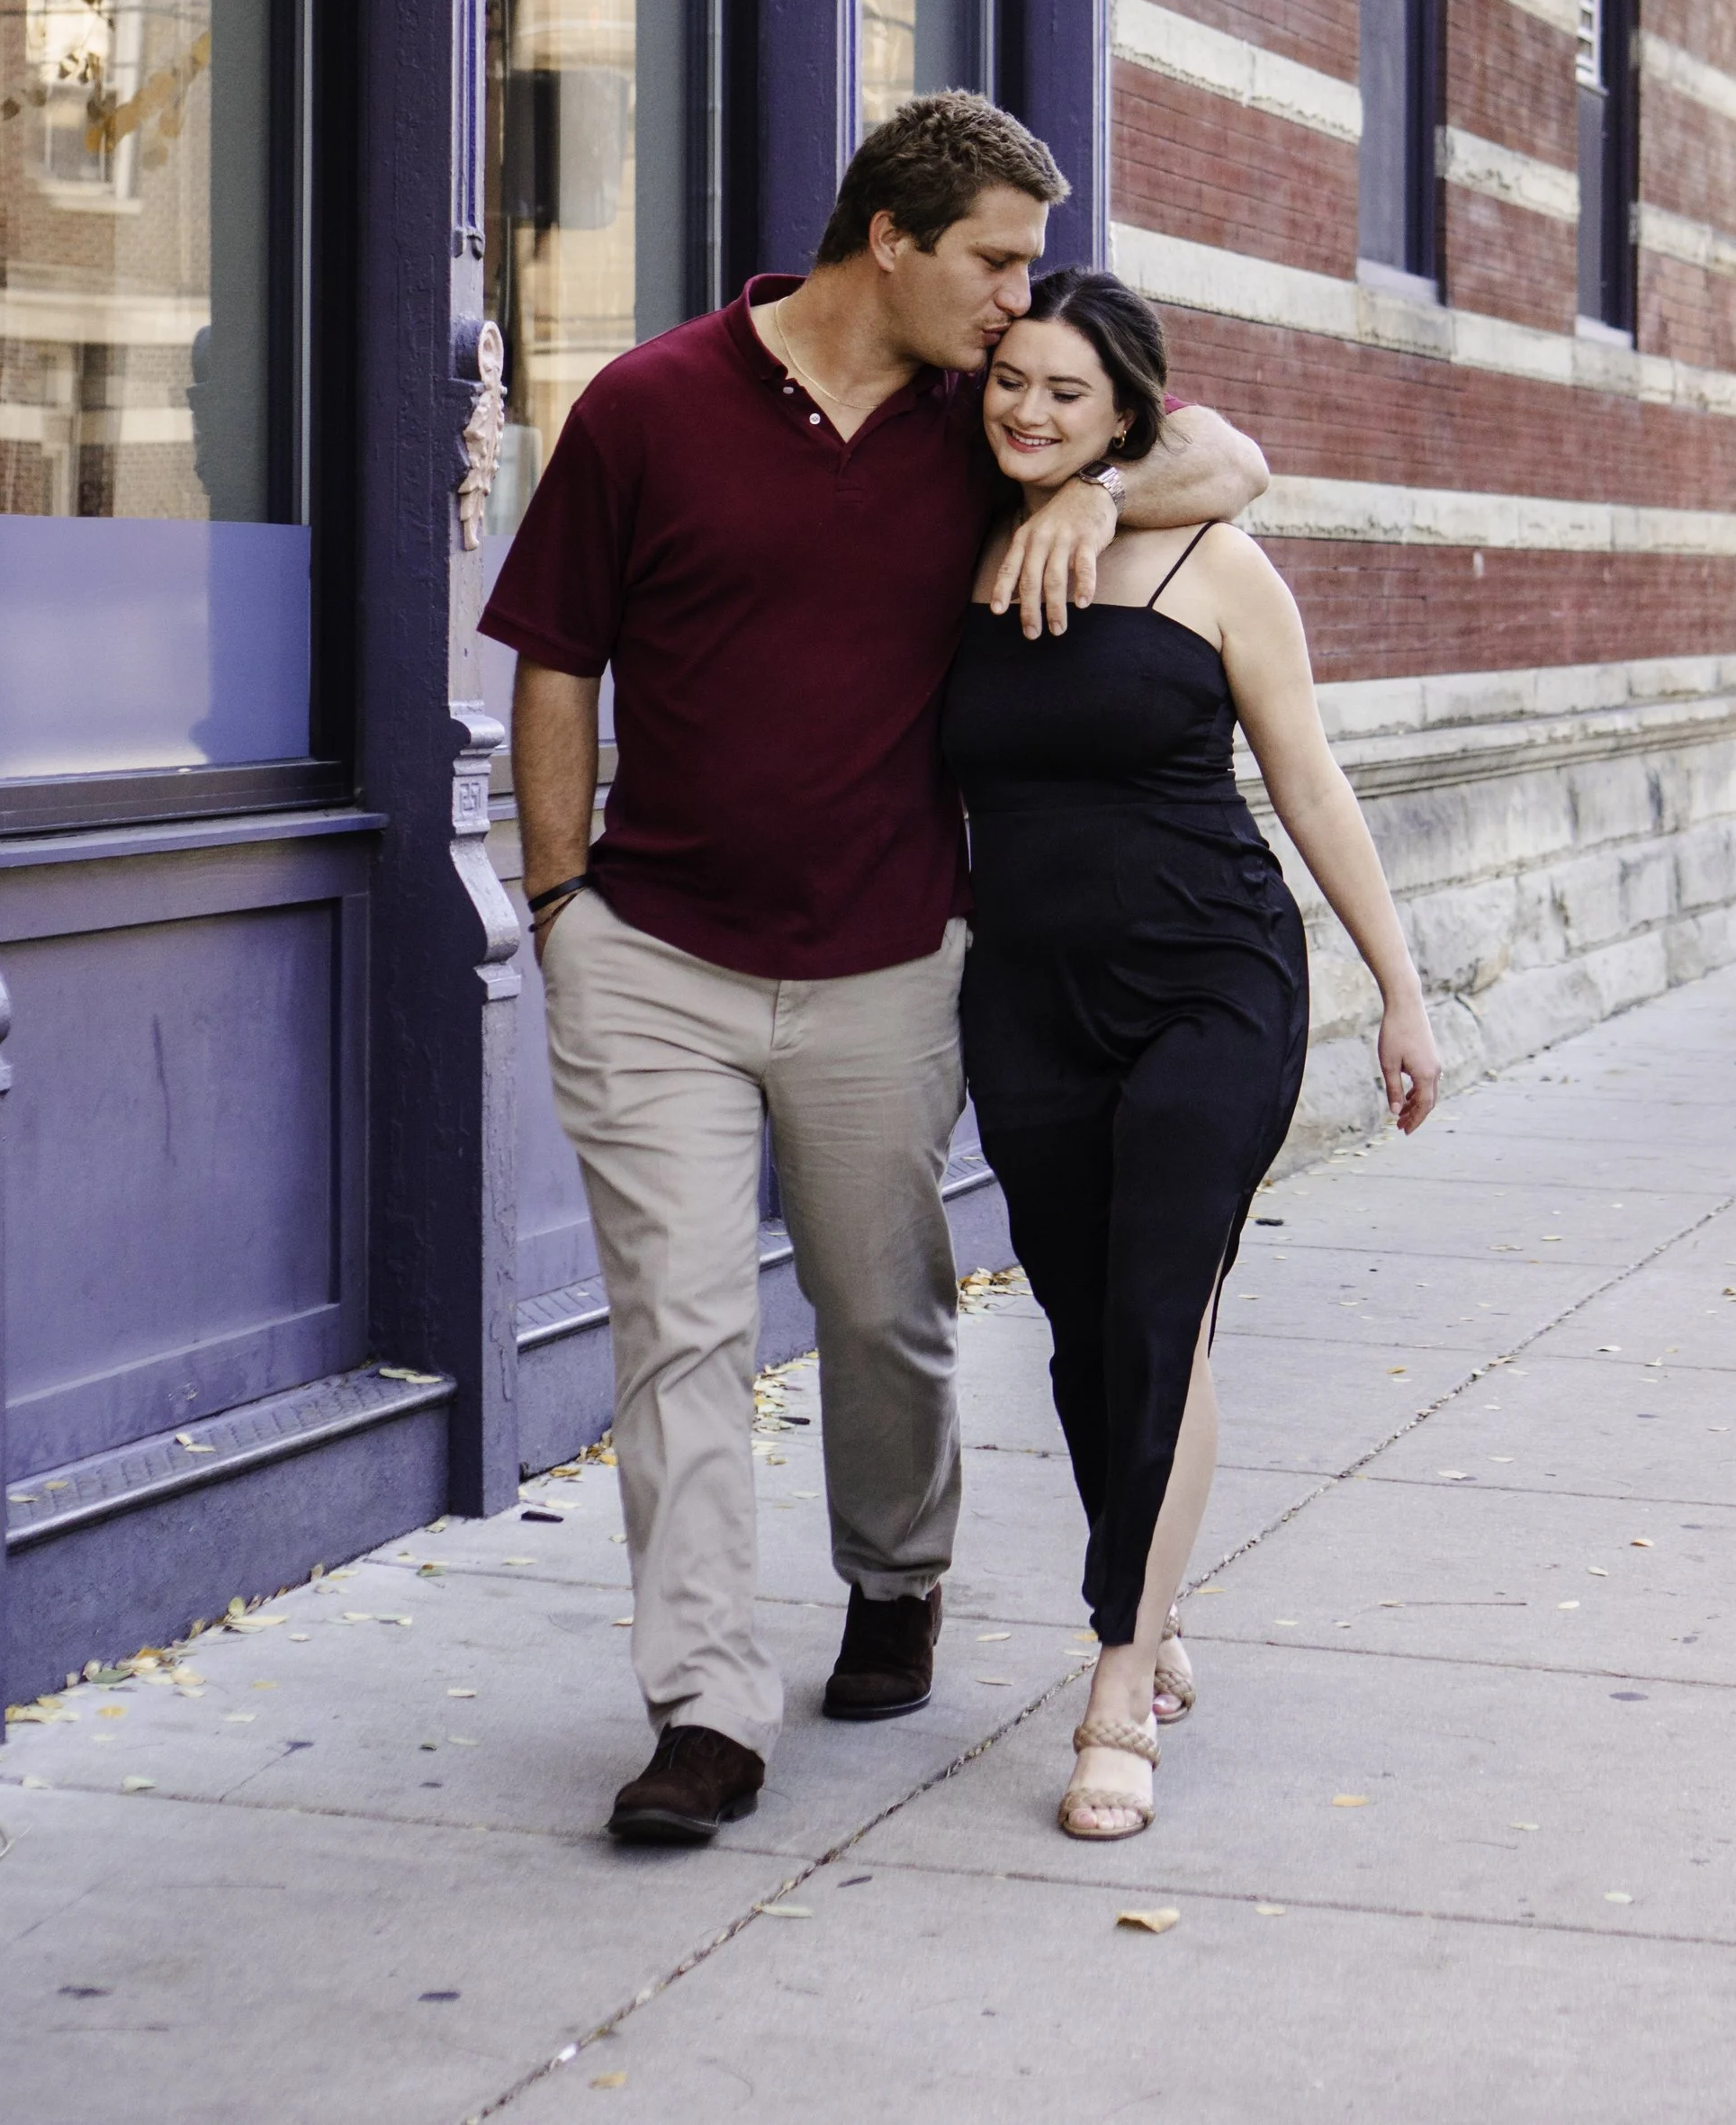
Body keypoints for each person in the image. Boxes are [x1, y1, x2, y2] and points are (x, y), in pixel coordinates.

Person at [483, 95, 1270, 1846]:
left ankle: (894, 1573)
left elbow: (1231, 459)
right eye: (993, 263)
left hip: (887, 963)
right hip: (657, 961)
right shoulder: (648, 406)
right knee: (677, 1337)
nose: (1017, 308)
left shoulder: (982, 436)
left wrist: (1112, 487)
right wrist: (558, 903)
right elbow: (553, 660)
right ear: (890, 241)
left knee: (878, 1312)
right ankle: (701, 1707)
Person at [940, 266, 1441, 1843]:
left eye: (1066, 391)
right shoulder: (957, 540)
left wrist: (1403, 990)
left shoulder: (1218, 564)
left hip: (1213, 982)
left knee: (1163, 1308)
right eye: (1010, 378)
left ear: (1127, 412)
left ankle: (1111, 1683)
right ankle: (1154, 1602)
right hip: (1027, 998)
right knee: (1093, 1336)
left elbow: (1311, 784)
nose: (1027, 407)